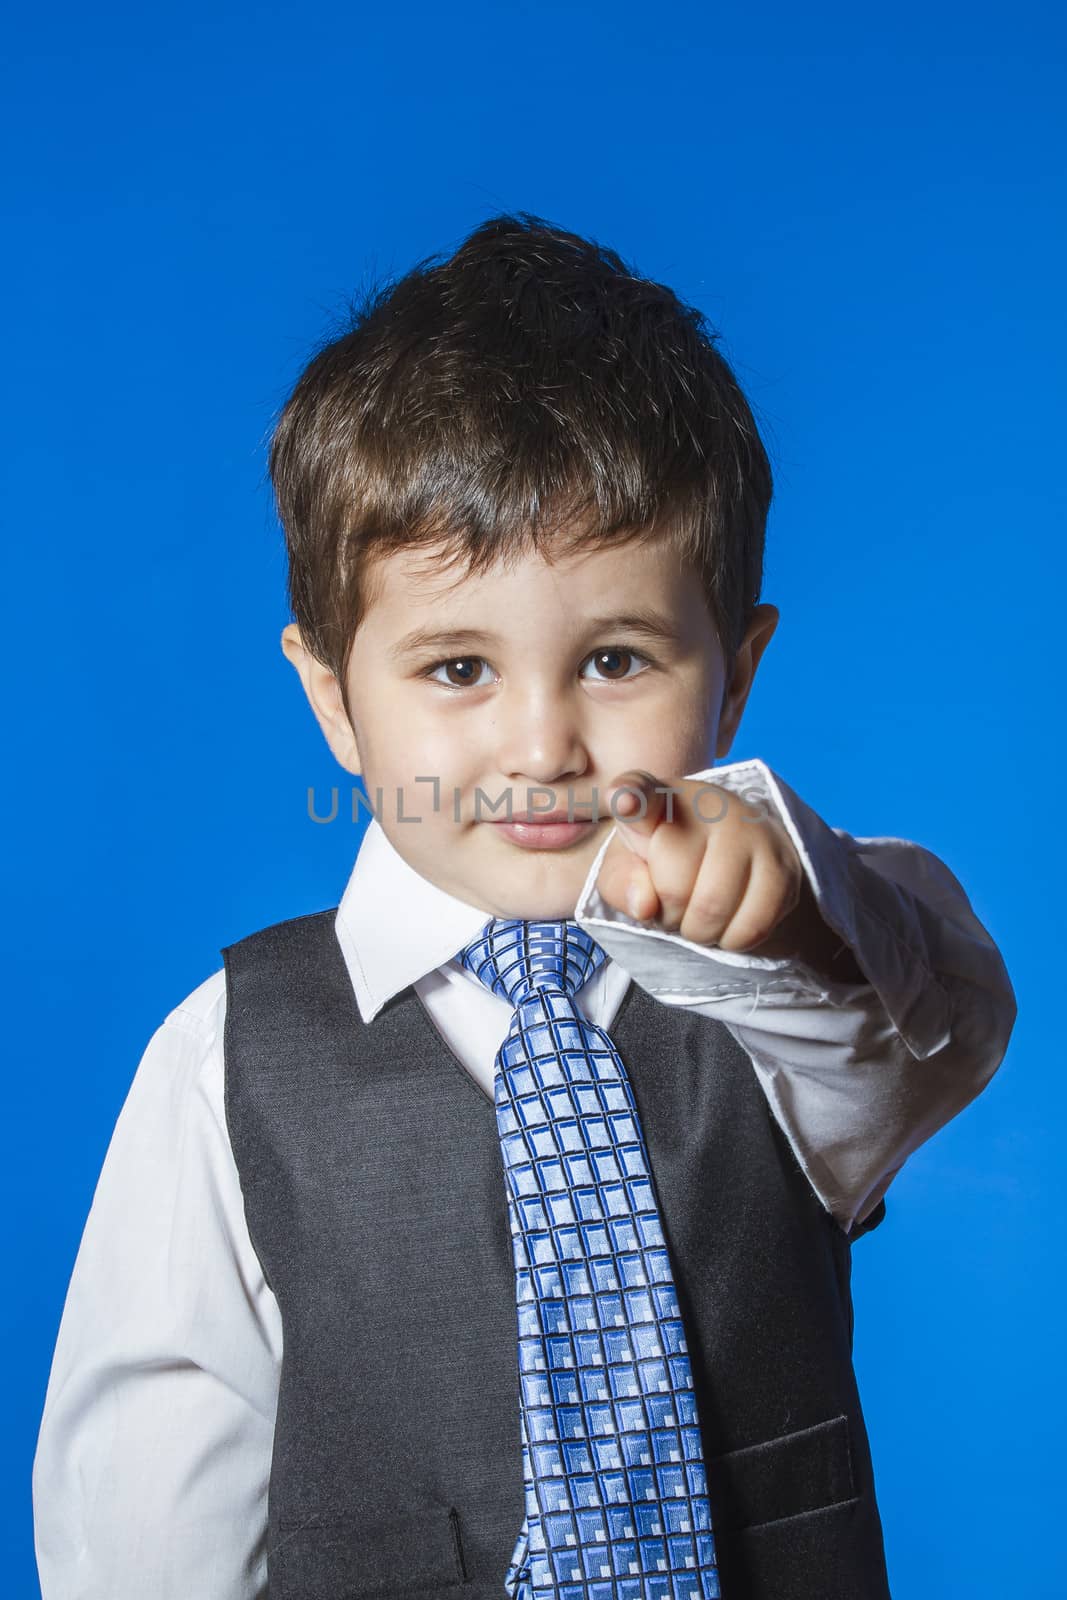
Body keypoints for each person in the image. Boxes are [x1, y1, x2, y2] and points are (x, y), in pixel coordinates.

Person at [32, 213, 1017, 1600]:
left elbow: (952, 1022)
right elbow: (144, 1524)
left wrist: (800, 905)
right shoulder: (221, 1068)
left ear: (734, 675)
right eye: (456, 670)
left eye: (617, 658)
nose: (543, 743)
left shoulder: (791, 1008)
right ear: (334, 699)